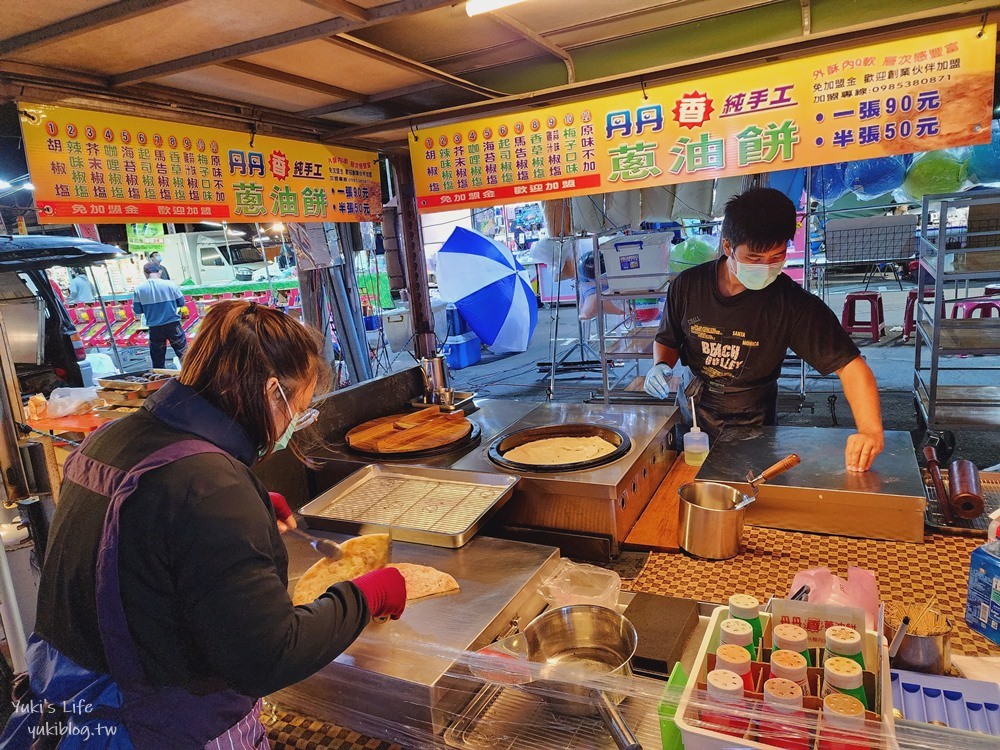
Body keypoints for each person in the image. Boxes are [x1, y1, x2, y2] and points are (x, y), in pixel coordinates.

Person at [1, 300, 407, 747]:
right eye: (299, 409)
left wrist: (245, 502)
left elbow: (136, 539)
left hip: (70, 705)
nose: (292, 424)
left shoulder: (110, 438)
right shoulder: (209, 488)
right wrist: (368, 594)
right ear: (273, 392)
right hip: (156, 728)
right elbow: (267, 657)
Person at [645, 188, 884, 472]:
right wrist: (660, 365)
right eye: (755, 258)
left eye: (777, 256)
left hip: (753, 417)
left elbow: (851, 366)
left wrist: (870, 430)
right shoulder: (688, 286)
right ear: (728, 247)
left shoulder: (792, 303)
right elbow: (668, 339)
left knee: (751, 486)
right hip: (695, 409)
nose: (767, 267)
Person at [134, 262, 187, 369]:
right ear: (160, 272)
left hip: (154, 327)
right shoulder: (170, 284)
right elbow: (181, 303)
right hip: (173, 325)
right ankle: (191, 376)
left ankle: (159, 380)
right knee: (183, 353)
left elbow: (137, 310)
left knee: (157, 358)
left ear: (145, 273)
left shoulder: (139, 289)